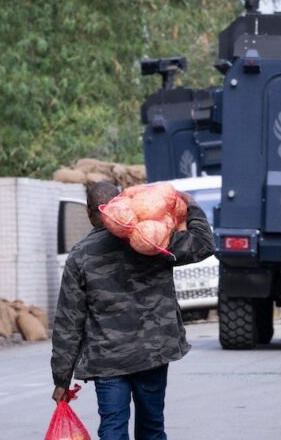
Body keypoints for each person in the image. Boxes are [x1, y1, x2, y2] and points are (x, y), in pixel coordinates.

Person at [51, 181, 215, 440]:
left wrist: (61, 378)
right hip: (154, 352)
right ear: (123, 203)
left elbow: (68, 322)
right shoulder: (153, 240)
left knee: (113, 429)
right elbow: (203, 245)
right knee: (151, 428)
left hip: (108, 360)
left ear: (89, 212)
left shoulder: (80, 255)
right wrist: (192, 206)